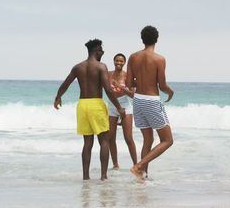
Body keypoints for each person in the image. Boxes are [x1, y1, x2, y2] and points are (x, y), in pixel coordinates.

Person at [54, 39, 125, 181]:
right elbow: (108, 89)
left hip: (82, 105)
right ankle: (103, 177)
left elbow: (65, 83)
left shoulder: (78, 67)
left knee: (87, 142)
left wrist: (58, 97)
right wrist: (118, 107)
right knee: (104, 140)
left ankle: (86, 177)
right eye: (102, 51)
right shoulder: (101, 67)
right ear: (97, 50)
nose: (103, 53)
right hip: (96, 104)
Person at [127, 25, 174, 182]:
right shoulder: (159, 59)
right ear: (156, 39)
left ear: (142, 39)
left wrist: (141, 79)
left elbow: (129, 83)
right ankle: (139, 166)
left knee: (148, 140)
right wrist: (171, 92)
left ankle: (143, 177)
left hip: (137, 100)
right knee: (168, 140)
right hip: (151, 101)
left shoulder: (133, 57)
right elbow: (162, 85)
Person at [108, 53, 138, 170]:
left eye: (121, 61)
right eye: (117, 61)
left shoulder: (127, 76)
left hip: (125, 105)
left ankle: (136, 164)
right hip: (112, 105)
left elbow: (132, 95)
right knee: (111, 137)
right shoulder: (108, 74)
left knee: (128, 138)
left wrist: (121, 88)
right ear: (114, 61)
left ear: (124, 63)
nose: (119, 63)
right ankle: (115, 164)